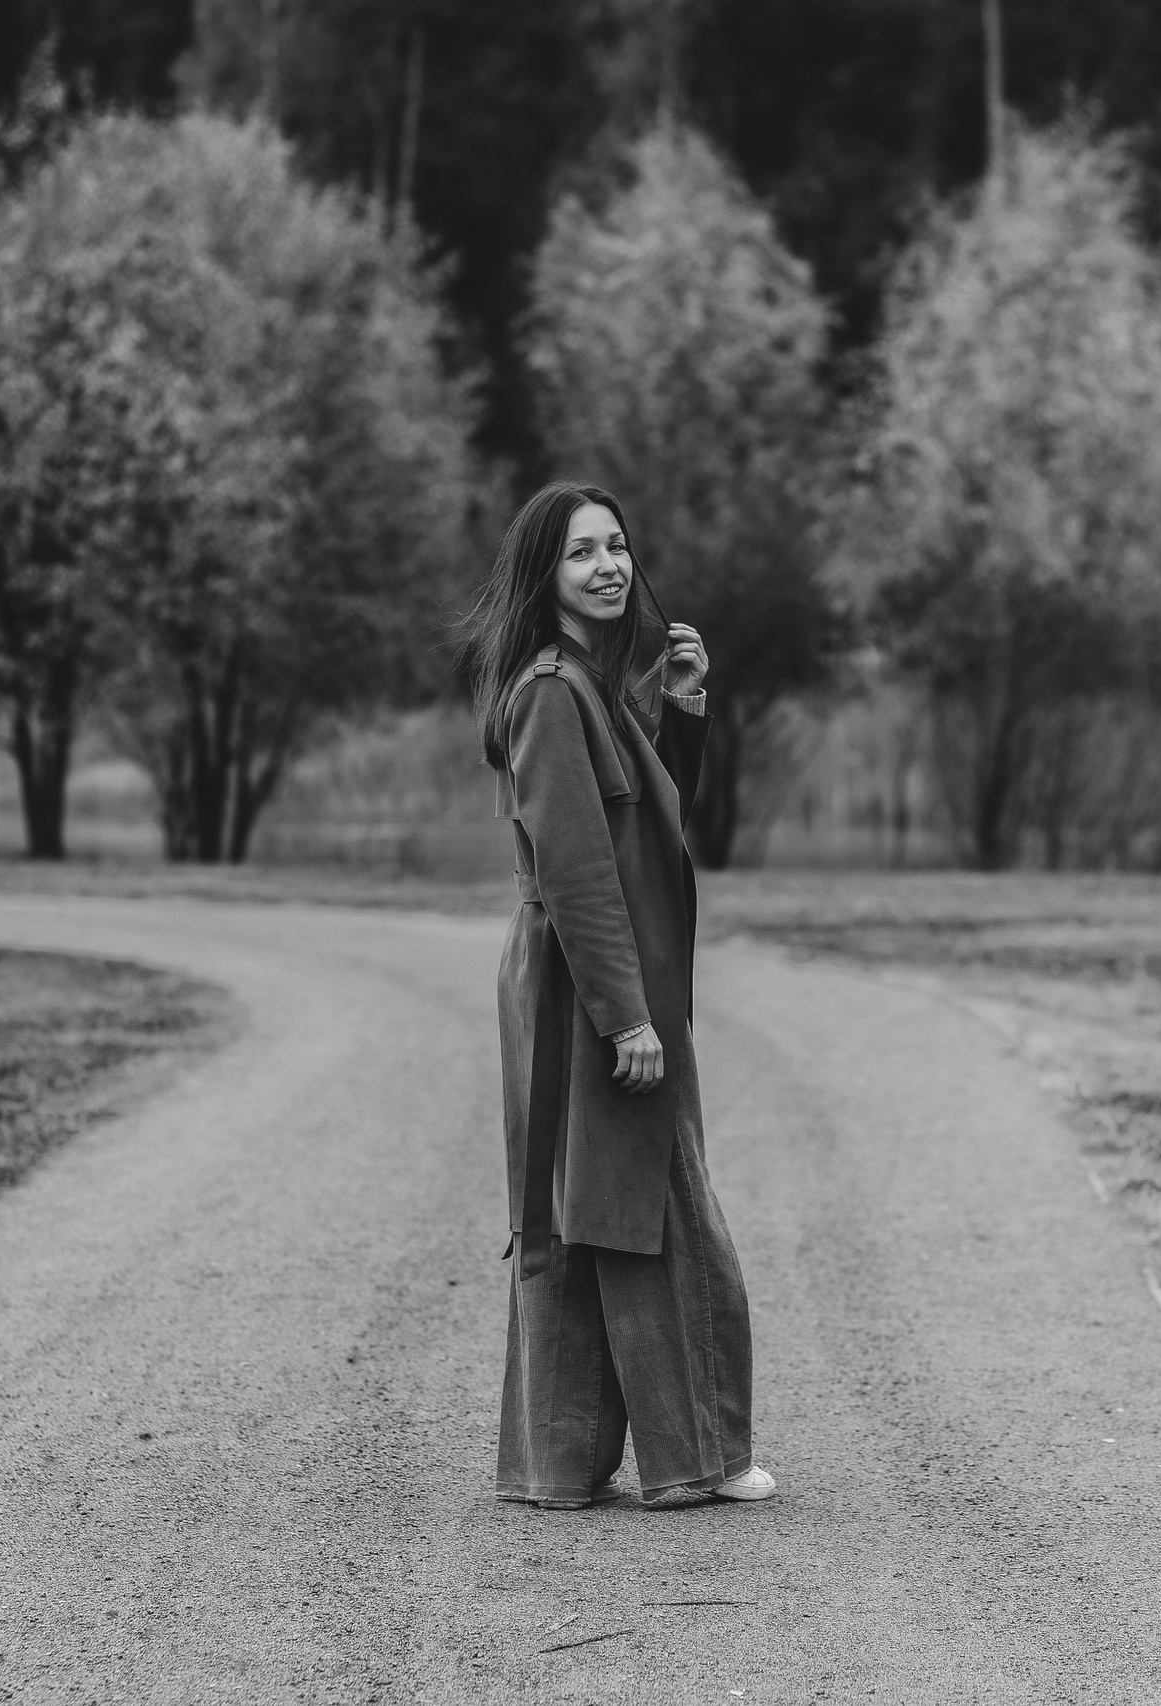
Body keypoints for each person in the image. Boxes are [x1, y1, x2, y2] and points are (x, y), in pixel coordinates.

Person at [462, 480, 770, 1511]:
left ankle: (563, 1458)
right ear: (542, 575)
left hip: (601, 984)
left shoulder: (592, 689)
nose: (609, 566)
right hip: (586, 991)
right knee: (650, 1208)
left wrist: (678, 706)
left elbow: (644, 821)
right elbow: (581, 868)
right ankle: (703, 1455)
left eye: (618, 547)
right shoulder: (553, 691)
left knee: (598, 1211)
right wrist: (624, 1015)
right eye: (582, 552)